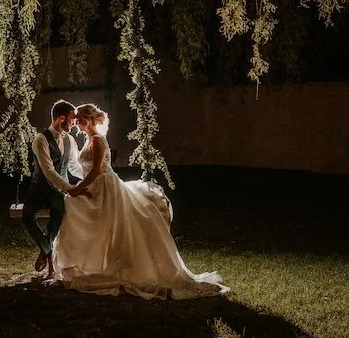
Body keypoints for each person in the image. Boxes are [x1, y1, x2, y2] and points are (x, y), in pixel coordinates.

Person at [53, 103, 229, 299]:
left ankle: (113, 266)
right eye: (75, 118)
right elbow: (86, 170)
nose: (76, 122)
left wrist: (77, 189)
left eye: (79, 118)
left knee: (109, 225)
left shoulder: (97, 140)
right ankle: (89, 263)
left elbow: (96, 171)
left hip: (104, 187)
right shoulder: (88, 140)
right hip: (95, 186)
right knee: (82, 213)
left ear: (88, 119)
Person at [22, 99, 88, 279]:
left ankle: (45, 253)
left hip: (59, 191)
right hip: (40, 187)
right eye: (72, 120)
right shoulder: (40, 139)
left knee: (57, 216)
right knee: (27, 217)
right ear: (61, 118)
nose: (74, 124)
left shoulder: (70, 140)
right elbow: (48, 170)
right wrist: (68, 188)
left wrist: (90, 180)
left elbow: (74, 166)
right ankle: (49, 253)